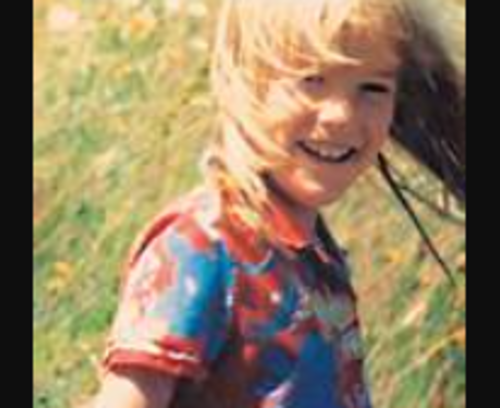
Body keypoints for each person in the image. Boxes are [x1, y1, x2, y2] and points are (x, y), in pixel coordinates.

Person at [92, 0, 465, 407]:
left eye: (373, 88)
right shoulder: (205, 244)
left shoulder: (311, 254)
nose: (341, 115)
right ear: (244, 79)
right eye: (311, 79)